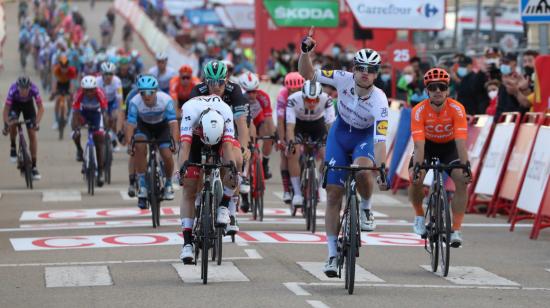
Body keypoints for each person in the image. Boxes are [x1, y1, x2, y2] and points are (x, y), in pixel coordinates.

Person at [299, 28, 389, 277]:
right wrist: (305, 52)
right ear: (354, 68)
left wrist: (380, 169)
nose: (365, 73)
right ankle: (330, 255)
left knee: (363, 170)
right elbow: (307, 74)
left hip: (363, 137)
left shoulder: (380, 101)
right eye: (361, 68)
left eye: (370, 70)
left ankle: (366, 207)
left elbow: (380, 140)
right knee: (333, 195)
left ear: (376, 74)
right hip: (340, 134)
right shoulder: (342, 78)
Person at [409, 68, 472, 248]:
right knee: (416, 177)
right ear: (427, 90)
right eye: (433, 87)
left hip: (449, 147)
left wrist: (465, 166)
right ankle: (419, 215)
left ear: (447, 90)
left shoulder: (457, 109)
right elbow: (419, 145)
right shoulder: (418, 111)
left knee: (461, 179)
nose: (437, 91)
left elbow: (460, 142)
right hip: (427, 147)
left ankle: (456, 229)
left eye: (442, 87)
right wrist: (418, 168)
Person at [188, 60, 250, 230]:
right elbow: (190, 124)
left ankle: (230, 210)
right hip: (203, 134)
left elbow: (242, 124)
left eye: (220, 82)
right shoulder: (197, 91)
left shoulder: (234, 90)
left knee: (234, 161)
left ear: (226, 80)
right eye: (211, 82)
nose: (216, 86)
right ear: (205, 81)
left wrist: (244, 148)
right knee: (199, 166)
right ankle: (200, 200)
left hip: (227, 133)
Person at [177, 95, 239, 264]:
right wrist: (182, 169)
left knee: (233, 170)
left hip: (219, 140)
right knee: (189, 187)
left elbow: (227, 148)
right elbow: (185, 147)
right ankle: (187, 243)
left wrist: (232, 169)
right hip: (195, 142)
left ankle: (224, 206)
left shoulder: (226, 114)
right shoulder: (190, 113)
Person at [125, 75, 178, 209]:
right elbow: (130, 125)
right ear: (139, 93)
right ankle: (142, 185)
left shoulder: (165, 100)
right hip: (144, 127)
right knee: (139, 145)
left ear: (156, 91)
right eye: (143, 92)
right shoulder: (135, 102)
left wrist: (175, 142)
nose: (146, 96)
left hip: (162, 127)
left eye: (150, 92)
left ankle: (168, 183)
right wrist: (129, 145)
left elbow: (173, 123)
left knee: (166, 154)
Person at [286, 80, 335, 208]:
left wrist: (334, 143)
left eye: (315, 100)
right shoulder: (293, 99)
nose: (311, 103)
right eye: (308, 100)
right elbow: (290, 127)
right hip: (299, 125)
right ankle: (297, 193)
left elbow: (331, 126)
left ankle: (320, 187)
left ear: (320, 97)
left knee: (327, 154)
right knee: (293, 152)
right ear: (302, 96)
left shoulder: (327, 99)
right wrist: (291, 142)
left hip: (317, 125)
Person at [238, 72, 275, 212]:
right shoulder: (238, 98)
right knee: (245, 149)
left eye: (254, 91)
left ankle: (264, 163)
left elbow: (269, 119)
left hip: (258, 120)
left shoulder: (263, 97)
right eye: (249, 92)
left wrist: (274, 135)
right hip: (243, 122)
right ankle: (245, 195)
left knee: (269, 133)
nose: (252, 95)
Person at [2, 77, 44, 180]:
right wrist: (6, 125)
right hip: (15, 106)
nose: (24, 91)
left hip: (28, 107)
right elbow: (6, 110)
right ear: (18, 87)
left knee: (32, 134)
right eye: (22, 88)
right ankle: (13, 146)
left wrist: (36, 122)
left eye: (26, 88)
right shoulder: (13, 89)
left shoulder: (34, 89)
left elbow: (41, 108)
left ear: (29, 87)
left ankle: (34, 166)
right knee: (13, 122)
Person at [71, 76, 108, 186]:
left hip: (96, 115)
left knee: (99, 140)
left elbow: (104, 112)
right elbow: (75, 114)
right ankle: (79, 149)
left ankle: (100, 171)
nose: (89, 93)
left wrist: (104, 127)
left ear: (95, 88)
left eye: (92, 90)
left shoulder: (100, 93)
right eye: (86, 90)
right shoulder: (79, 94)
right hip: (83, 114)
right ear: (83, 89)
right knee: (75, 133)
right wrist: (76, 128)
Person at [276, 72, 305, 205]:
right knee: (285, 153)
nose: (293, 93)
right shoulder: (282, 95)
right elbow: (281, 120)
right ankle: (287, 190)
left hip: (302, 121)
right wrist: (282, 140)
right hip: (287, 122)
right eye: (290, 91)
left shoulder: (307, 93)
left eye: (297, 90)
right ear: (286, 88)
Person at [494, 54, 531, 121]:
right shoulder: (501, 83)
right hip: (501, 120)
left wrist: (518, 90)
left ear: (514, 65)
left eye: (507, 63)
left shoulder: (522, 80)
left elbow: (527, 103)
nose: (504, 65)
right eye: (502, 63)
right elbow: (500, 106)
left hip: (516, 120)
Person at [96, 62, 123, 149]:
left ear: (113, 74)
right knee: (105, 119)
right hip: (101, 101)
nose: (108, 76)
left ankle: (114, 138)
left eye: (110, 74)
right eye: (106, 74)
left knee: (115, 117)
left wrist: (120, 112)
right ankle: (108, 137)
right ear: (102, 74)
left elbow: (119, 99)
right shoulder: (97, 81)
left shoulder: (117, 81)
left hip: (112, 101)